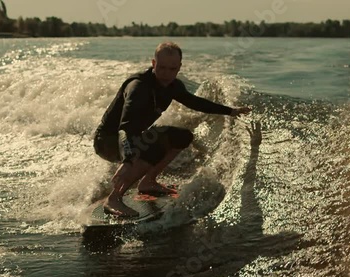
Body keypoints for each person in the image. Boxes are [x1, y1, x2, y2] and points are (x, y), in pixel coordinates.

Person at [93, 42, 251, 217]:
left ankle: (148, 182)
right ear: (153, 64)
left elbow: (195, 102)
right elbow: (126, 128)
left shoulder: (173, 86)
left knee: (182, 137)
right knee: (151, 147)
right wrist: (128, 159)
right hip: (109, 140)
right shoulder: (137, 87)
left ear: (179, 67)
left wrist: (230, 111)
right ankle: (114, 198)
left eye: (172, 69)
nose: (166, 74)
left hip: (133, 137)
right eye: (161, 68)